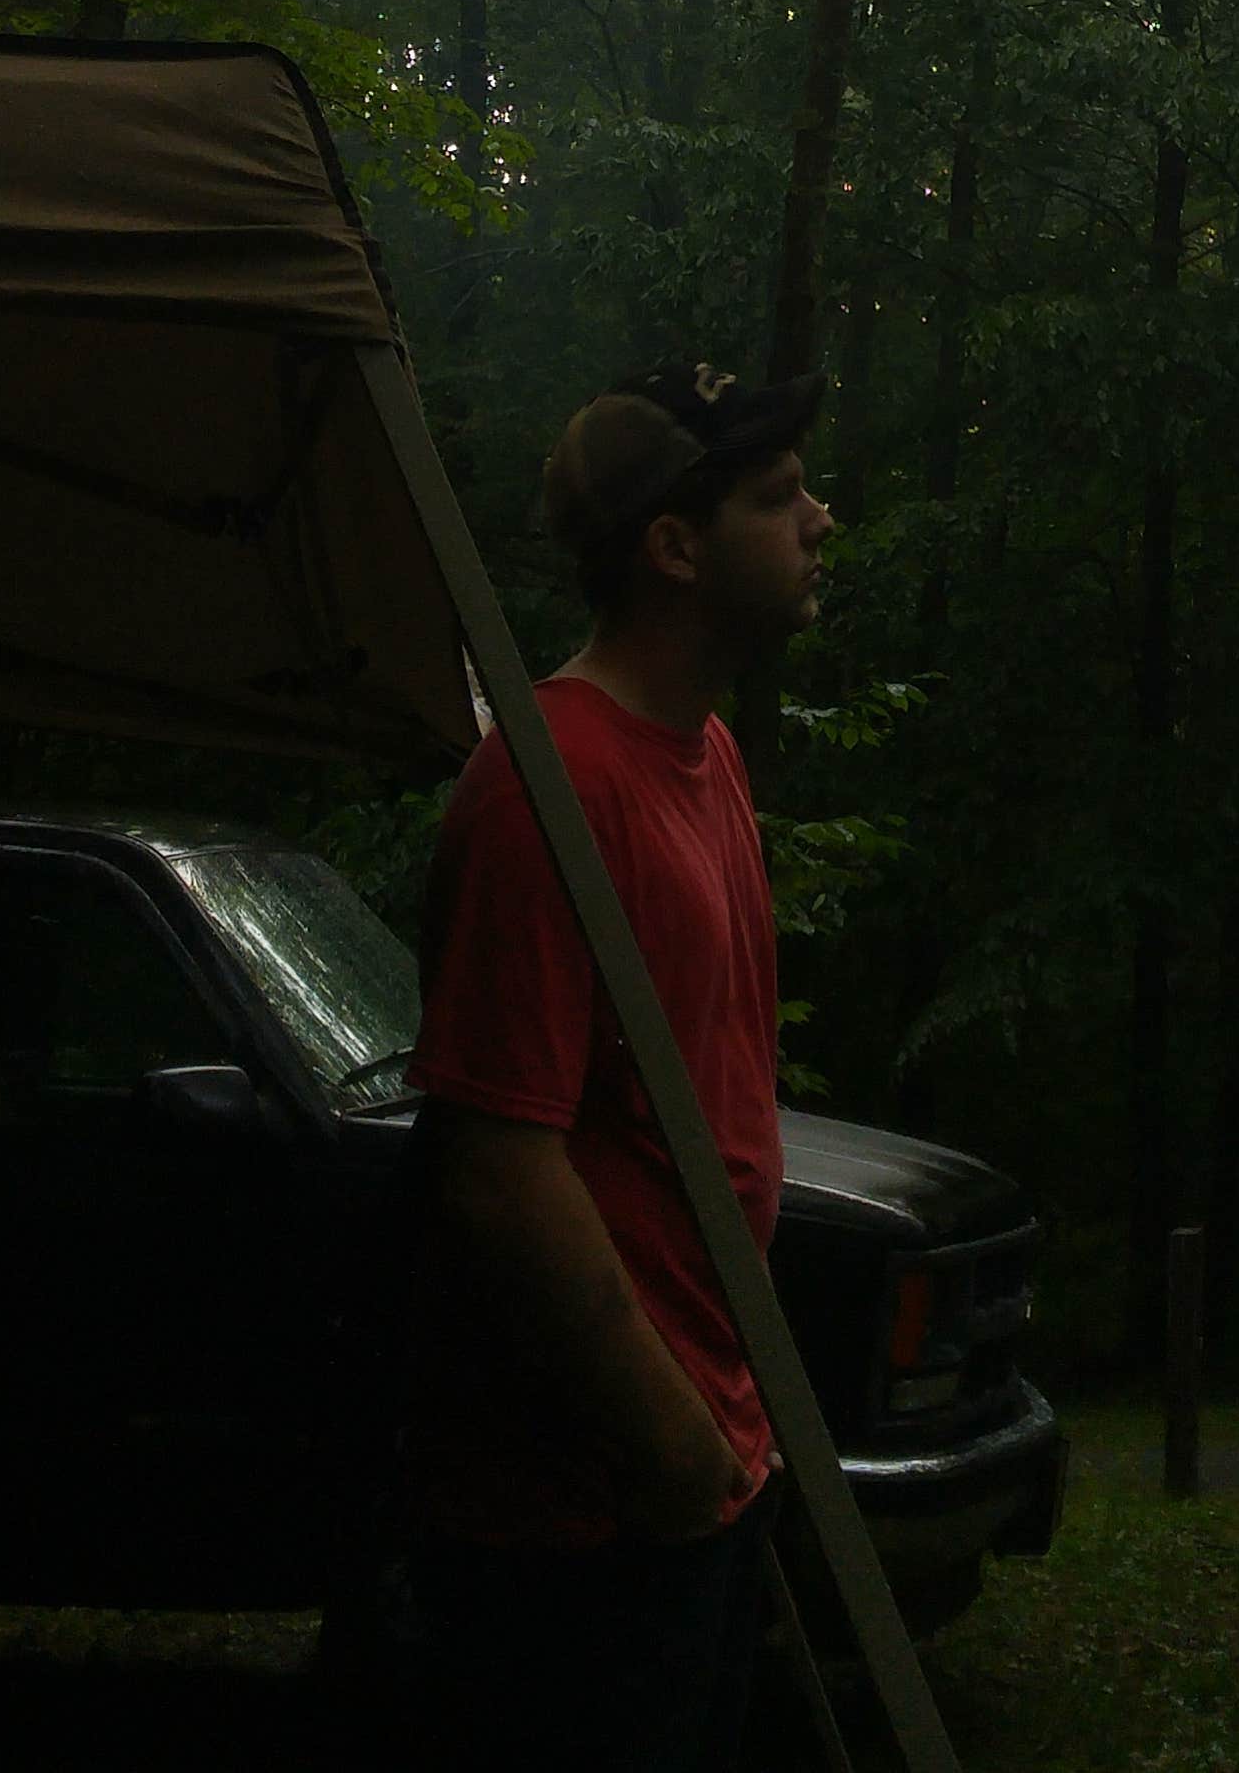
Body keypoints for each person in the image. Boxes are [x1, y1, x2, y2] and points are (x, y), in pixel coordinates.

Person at [396, 356, 832, 1773]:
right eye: (779, 498)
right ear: (675, 547)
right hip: (581, 1525)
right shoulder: (549, 787)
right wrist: (667, 1454)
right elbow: (497, 1168)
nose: (820, 518)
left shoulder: (701, 750)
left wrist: (727, 1453)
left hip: (705, 1471)